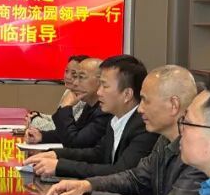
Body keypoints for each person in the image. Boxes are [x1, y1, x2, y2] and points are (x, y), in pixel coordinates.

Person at [43, 65, 205, 195]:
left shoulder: (199, 153)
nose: (140, 109)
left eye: (145, 101)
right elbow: (136, 178)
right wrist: (87, 185)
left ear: (174, 105)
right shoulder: (164, 140)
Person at [26, 55, 160, 179]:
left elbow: (120, 172)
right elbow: (98, 153)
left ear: (127, 94)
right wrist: (56, 154)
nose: (99, 92)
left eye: (105, 86)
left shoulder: (144, 126)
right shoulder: (116, 119)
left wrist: (60, 166)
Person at [25, 57, 110, 148]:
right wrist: (42, 136)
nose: (75, 83)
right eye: (76, 77)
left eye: (81, 77)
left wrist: (66, 106)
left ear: (100, 81)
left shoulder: (105, 111)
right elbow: (73, 132)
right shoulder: (89, 106)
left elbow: (75, 143)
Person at [28, 54, 89, 133]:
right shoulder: (68, 91)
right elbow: (57, 118)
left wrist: (34, 120)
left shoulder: (85, 99)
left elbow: (59, 128)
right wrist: (39, 115)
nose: (67, 76)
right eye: (66, 71)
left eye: (74, 74)